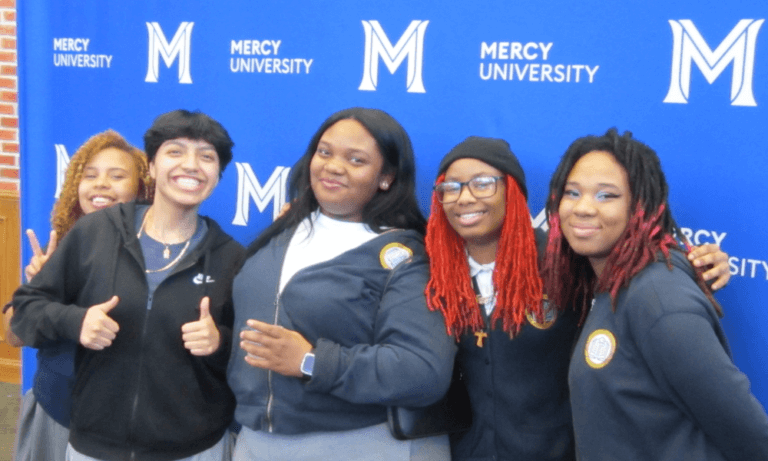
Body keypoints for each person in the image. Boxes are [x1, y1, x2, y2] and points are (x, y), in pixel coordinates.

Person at [424, 136, 734, 461]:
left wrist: (695, 262)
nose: (465, 198)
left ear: (512, 191)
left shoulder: (564, 258)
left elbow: (632, 264)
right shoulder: (431, 269)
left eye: (483, 184)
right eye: (451, 187)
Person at [12, 110, 244, 461]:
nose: (191, 164)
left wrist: (219, 343)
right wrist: (76, 322)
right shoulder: (94, 232)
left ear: (217, 176)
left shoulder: (231, 258)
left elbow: (253, 358)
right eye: (175, 151)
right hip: (94, 446)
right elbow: (24, 313)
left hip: (192, 450)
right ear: (151, 167)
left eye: (207, 156)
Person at [227, 107, 456, 461]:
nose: (333, 166)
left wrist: (309, 361)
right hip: (256, 442)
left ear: (386, 178)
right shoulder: (279, 234)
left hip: (358, 442)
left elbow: (423, 371)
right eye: (325, 152)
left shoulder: (405, 257)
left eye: (356, 159)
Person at [541, 128, 768, 460]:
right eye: (572, 192)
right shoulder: (605, 279)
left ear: (641, 207)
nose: (583, 208)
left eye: (607, 195)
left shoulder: (659, 298)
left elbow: (750, 434)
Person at [3, 129, 151, 461]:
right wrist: (42, 291)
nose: (101, 184)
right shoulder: (57, 251)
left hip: (118, 427)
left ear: (142, 189)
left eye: (117, 176)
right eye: (90, 175)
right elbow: (12, 335)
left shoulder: (157, 256)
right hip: (54, 413)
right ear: (76, 186)